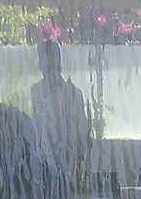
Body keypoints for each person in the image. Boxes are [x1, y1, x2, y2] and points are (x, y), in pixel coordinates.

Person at [27, 33, 94, 182]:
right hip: (42, 169)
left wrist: (79, 166)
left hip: (68, 166)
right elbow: (35, 130)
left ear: (57, 61)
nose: (43, 63)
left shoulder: (73, 94)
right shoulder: (36, 92)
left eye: (47, 58)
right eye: (41, 58)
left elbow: (81, 134)